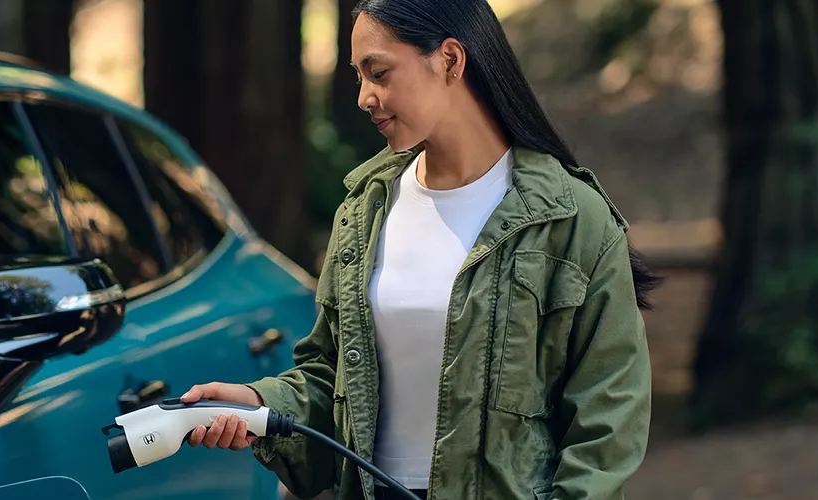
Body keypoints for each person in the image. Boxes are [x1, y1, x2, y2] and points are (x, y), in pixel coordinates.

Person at [179, 1, 659, 499]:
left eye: (379, 72)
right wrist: (258, 404)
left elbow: (608, 418)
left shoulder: (570, 216)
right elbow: (331, 380)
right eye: (359, 77)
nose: (365, 97)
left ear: (450, 60)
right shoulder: (364, 212)